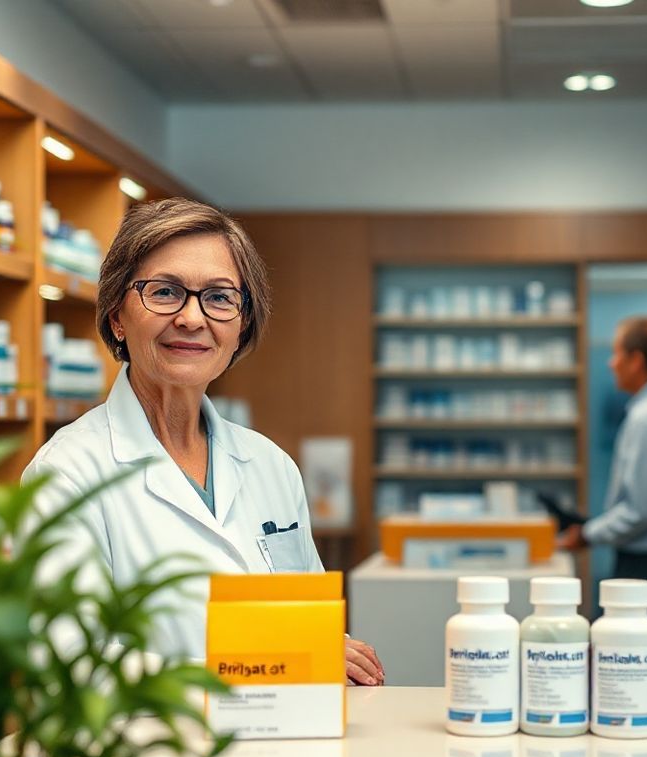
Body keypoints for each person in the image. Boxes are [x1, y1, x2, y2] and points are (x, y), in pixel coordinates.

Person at [23, 198, 384, 686]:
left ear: (240, 326)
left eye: (219, 297)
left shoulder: (270, 464)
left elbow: (309, 622)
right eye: (166, 292)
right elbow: (68, 661)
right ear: (116, 317)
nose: (193, 318)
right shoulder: (68, 473)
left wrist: (331, 650)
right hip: (151, 753)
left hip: (286, 744)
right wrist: (252, 668)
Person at [560, 316, 647, 622]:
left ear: (636, 360)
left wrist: (588, 534)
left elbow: (639, 511)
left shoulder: (644, 419)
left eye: (616, 354)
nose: (611, 363)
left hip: (644, 567)